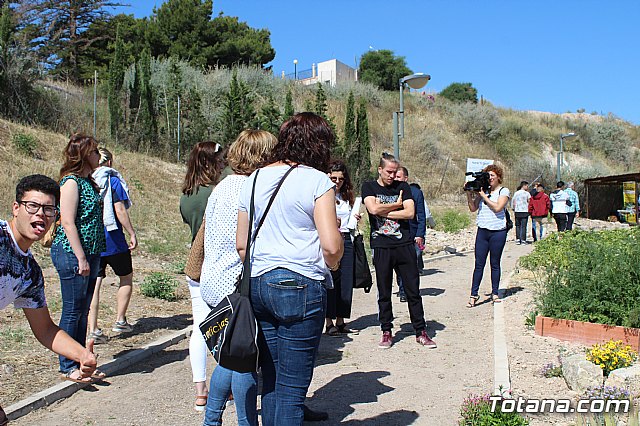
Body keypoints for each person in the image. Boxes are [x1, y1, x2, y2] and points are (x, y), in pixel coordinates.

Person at [236, 112, 343, 425]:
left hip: (257, 283)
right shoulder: (317, 181)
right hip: (300, 284)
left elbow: (241, 244)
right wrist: (331, 267)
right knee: (293, 389)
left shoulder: (253, 179)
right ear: (319, 145)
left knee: (271, 378)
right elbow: (332, 246)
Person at [0, 175, 98, 422]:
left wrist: (81, 354)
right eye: (32, 206)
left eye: (48, 209)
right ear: (16, 208)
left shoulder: (29, 273)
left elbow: (45, 330)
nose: (40, 215)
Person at [199, 130, 277, 425]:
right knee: (246, 360)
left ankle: (212, 419)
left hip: (214, 278)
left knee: (229, 356)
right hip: (235, 282)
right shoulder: (248, 189)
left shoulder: (223, 185)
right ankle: (247, 422)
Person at [362, 153, 436, 349]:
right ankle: (386, 331)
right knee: (384, 291)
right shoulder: (369, 187)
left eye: (395, 172)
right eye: (389, 172)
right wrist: (397, 204)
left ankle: (420, 331)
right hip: (382, 245)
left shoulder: (403, 187)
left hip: (404, 245)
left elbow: (410, 213)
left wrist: (383, 208)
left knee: (413, 290)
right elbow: (373, 210)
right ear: (380, 169)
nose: (392, 176)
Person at [50, 134, 106, 383]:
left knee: (83, 309)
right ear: (84, 155)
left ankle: (82, 360)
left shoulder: (88, 182)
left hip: (92, 252)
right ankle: (67, 365)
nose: (98, 156)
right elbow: (68, 222)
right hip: (73, 253)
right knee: (73, 310)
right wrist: (80, 257)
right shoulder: (70, 182)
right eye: (94, 152)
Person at [180, 141, 226, 411]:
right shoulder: (215, 193)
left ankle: (200, 389)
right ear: (211, 162)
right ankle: (227, 384)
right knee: (226, 326)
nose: (223, 164)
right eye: (220, 160)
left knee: (199, 326)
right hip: (217, 264)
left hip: (196, 265)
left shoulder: (187, 195)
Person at [88, 148, 137, 344]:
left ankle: (93, 329)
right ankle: (120, 319)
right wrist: (132, 232)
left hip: (92, 240)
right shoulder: (113, 180)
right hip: (114, 240)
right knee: (126, 277)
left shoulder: (87, 181)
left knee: (95, 283)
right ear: (108, 162)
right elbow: (119, 209)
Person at [465, 164, 510, 307]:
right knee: (479, 264)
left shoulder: (504, 191)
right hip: (483, 230)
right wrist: (469, 193)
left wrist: (483, 195)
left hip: (498, 231)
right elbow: (473, 208)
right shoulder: (482, 192)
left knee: (495, 263)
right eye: (488, 175)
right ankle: (473, 294)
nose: (490, 178)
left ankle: (495, 293)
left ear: (498, 177)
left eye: (492, 175)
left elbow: (497, 207)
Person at [324, 159, 359, 336]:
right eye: (333, 178)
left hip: (346, 238)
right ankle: (328, 321)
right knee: (330, 280)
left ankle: (341, 319)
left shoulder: (347, 198)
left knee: (345, 281)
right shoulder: (323, 195)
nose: (337, 182)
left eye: (340, 179)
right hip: (329, 240)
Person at [393, 166, 426, 303]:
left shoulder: (415, 193)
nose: (396, 179)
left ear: (405, 178)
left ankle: (411, 290)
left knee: (412, 265)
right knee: (398, 266)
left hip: (412, 235)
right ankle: (402, 290)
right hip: (395, 235)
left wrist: (420, 234)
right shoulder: (390, 192)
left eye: (398, 177)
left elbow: (421, 215)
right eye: (394, 177)